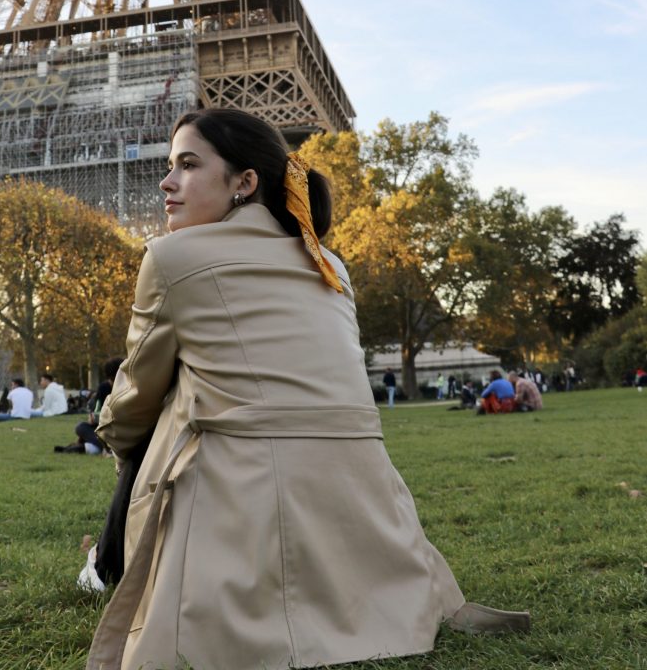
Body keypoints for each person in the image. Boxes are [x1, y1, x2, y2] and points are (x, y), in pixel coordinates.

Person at [86, 108, 529, 670]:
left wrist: (115, 441)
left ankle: (107, 564)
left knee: (158, 404)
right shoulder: (332, 266)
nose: (167, 181)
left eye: (188, 165)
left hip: (237, 493)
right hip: (363, 495)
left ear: (245, 182)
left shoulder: (171, 257)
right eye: (169, 166)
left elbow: (134, 397)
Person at [55, 358, 122, 455]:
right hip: (105, 429)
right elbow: (96, 411)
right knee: (81, 427)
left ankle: (86, 447)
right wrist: (93, 417)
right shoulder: (104, 388)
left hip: (118, 430)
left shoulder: (128, 389)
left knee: (82, 428)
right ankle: (96, 447)